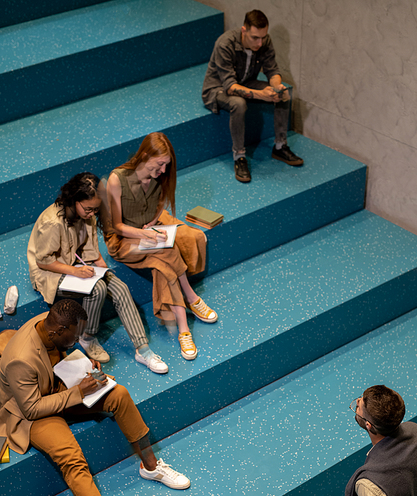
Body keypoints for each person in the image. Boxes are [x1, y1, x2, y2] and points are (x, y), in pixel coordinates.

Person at [0, 300, 191, 496]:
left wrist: (85, 365)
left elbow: (63, 354)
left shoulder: (51, 321)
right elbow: (31, 409)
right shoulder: (20, 360)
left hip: (58, 386)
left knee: (119, 394)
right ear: (57, 331)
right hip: (31, 414)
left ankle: (151, 467)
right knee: (72, 457)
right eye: (73, 338)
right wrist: (77, 393)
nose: (76, 342)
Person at [27, 172, 168, 374]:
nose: (92, 213)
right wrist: (75, 273)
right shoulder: (53, 222)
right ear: (74, 200)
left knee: (119, 287)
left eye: (95, 209)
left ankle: (143, 350)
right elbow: (43, 261)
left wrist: (106, 272)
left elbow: (91, 250)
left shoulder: (87, 215)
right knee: (97, 290)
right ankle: (87, 336)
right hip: (49, 271)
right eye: (88, 209)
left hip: (75, 262)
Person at [106, 132, 218, 361]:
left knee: (176, 250)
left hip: (147, 228)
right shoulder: (117, 179)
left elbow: (160, 204)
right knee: (168, 250)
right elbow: (116, 226)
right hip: (124, 239)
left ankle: (184, 324)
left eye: (166, 165)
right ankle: (190, 306)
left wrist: (155, 222)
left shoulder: (159, 178)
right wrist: (143, 233)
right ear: (145, 155)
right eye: (160, 164)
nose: (164, 170)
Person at [202, 9, 303, 183]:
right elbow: (230, 86)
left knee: (283, 94)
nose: (259, 42)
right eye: (254, 38)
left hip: (246, 81)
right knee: (239, 104)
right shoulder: (225, 44)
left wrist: (277, 86)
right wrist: (261, 95)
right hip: (218, 88)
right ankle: (239, 156)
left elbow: (272, 70)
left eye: (262, 37)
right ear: (244, 30)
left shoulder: (264, 41)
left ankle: (280, 146)